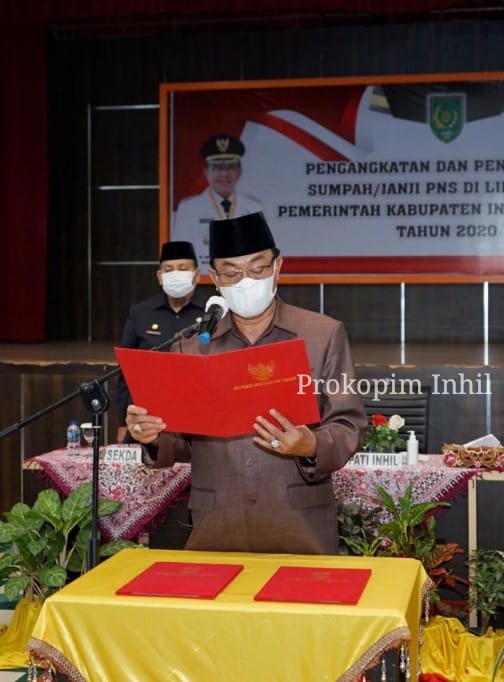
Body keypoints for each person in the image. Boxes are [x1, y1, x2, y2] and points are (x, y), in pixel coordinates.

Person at [125, 212, 367, 554]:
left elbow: (349, 424)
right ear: (215, 278)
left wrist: (311, 445)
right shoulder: (192, 346)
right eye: (232, 273)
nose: (246, 281)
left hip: (300, 527)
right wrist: (152, 436)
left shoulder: (322, 334)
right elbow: (181, 441)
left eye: (257, 269)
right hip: (216, 527)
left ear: (277, 267)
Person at [115, 241, 208, 442]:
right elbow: (125, 370)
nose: (175, 274)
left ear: (196, 275)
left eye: (183, 268)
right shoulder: (141, 312)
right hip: (146, 417)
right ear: (159, 276)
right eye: (168, 269)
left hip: (197, 416)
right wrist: (122, 423)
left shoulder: (213, 311)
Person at [171, 133, 265, 270]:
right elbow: (180, 256)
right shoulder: (189, 209)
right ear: (206, 172)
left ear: (240, 172)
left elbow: (263, 255)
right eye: (217, 167)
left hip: (245, 280)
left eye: (230, 167)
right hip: (204, 279)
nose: (224, 174)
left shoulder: (255, 209)